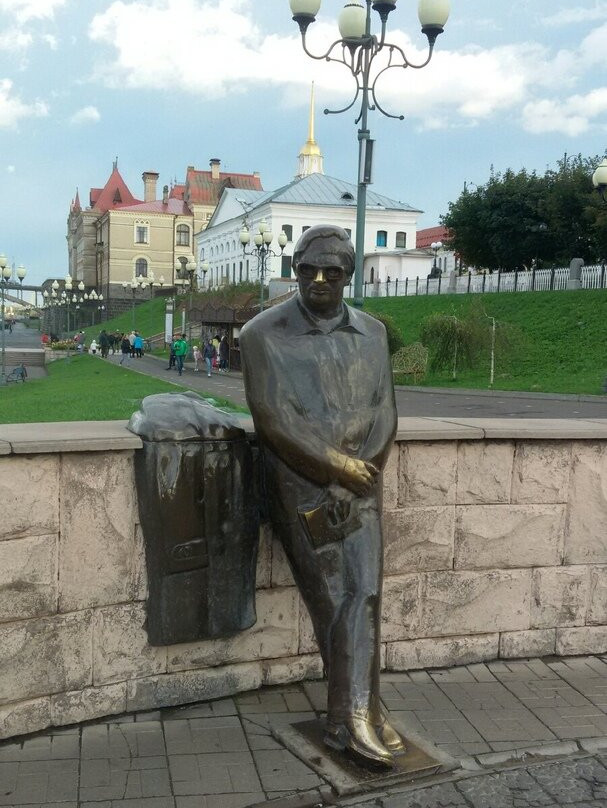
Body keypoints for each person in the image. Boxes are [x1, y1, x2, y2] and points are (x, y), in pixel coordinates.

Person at [240, 225, 399, 769]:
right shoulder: (261, 334)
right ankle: (354, 716)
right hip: (300, 485)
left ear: (349, 274)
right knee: (335, 600)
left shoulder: (373, 333)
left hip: (361, 484)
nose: (321, 280)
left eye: (333, 271)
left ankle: (357, 711)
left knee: (366, 596)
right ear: (296, 269)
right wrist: (337, 468)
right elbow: (274, 420)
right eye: (310, 270)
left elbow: (384, 410)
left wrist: (364, 468)